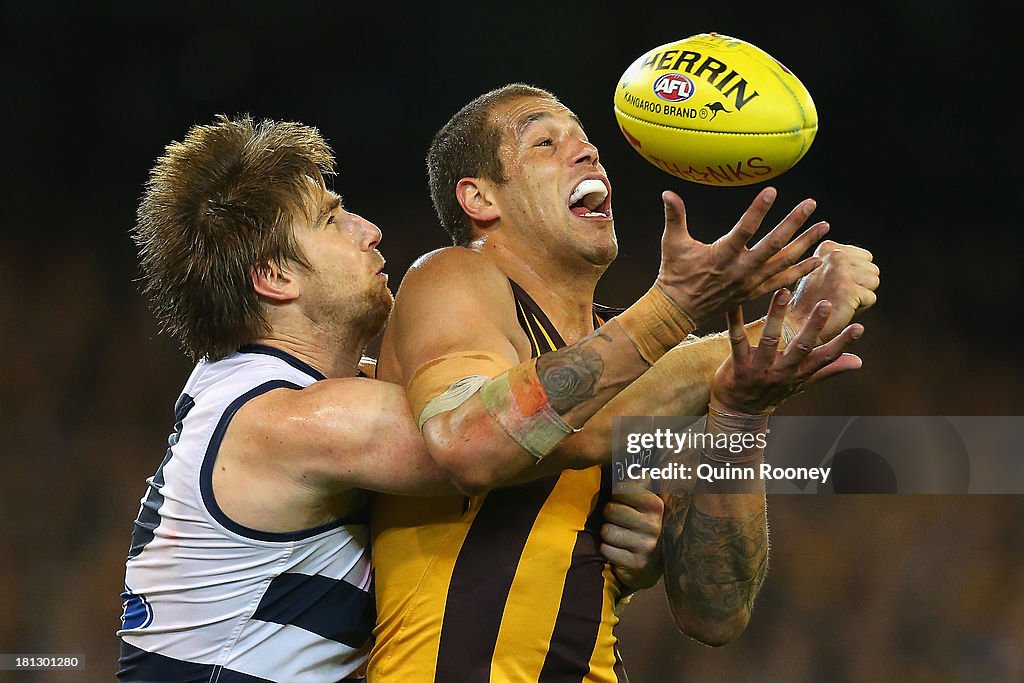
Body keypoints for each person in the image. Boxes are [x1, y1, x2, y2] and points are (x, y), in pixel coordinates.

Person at [118, 114, 666, 682]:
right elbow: (492, 438)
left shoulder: (285, 394)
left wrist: (634, 542)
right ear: (276, 277)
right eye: (332, 220)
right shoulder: (282, 420)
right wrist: (690, 331)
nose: (369, 230)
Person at [369, 84, 879, 681]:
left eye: (587, 142)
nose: (588, 153)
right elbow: (471, 441)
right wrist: (744, 320)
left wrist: (740, 414)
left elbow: (715, 610)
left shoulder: (646, 364)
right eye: (545, 141)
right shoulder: (454, 276)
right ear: (479, 197)